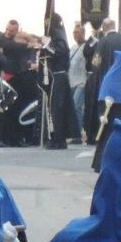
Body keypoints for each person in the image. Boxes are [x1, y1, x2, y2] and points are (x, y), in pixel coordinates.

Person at [43, 14, 74, 150]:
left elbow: (57, 52)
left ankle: (57, 138)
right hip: (56, 76)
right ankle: (57, 138)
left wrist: (46, 44)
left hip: (58, 76)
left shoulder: (59, 36)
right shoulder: (58, 35)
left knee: (57, 109)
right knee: (56, 108)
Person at [68, 22, 90, 143]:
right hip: (71, 81)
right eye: (74, 33)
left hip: (82, 81)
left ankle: (79, 134)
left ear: (83, 33)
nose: (75, 35)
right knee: (72, 107)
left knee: (77, 106)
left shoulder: (87, 47)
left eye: (77, 32)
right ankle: (74, 132)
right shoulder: (72, 48)